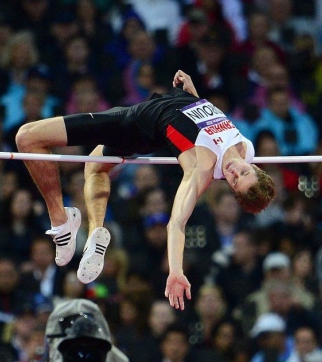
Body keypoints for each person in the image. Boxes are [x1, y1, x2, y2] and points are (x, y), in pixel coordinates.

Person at [15, 70, 275, 309]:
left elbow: (177, 224)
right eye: (244, 171)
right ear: (256, 168)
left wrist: (175, 270)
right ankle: (95, 232)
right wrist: (193, 95)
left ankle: (61, 222)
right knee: (95, 165)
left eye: (234, 180)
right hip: (168, 104)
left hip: (136, 123)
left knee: (27, 137)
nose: (233, 170)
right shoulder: (246, 148)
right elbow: (203, 122)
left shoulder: (201, 169)